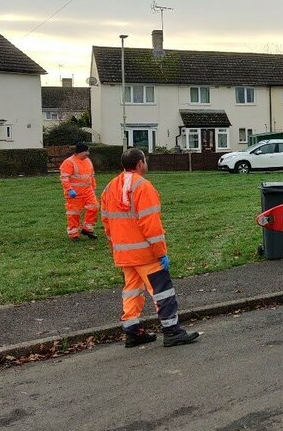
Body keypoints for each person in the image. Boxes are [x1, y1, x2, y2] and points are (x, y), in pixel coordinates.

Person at [100, 148, 199, 348]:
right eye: (145, 160)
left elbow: (106, 222)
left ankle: (132, 332)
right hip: (145, 253)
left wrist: (115, 247)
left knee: (132, 292)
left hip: (124, 253)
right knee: (162, 292)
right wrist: (160, 252)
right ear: (140, 164)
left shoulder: (110, 187)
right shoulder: (143, 187)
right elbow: (151, 225)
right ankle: (172, 332)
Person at [59, 142, 98, 240]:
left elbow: (91, 175)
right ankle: (73, 233)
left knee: (94, 207)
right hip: (74, 194)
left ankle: (87, 228)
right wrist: (69, 190)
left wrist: (93, 187)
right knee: (73, 213)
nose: (88, 153)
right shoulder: (69, 162)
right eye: (86, 151)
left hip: (88, 191)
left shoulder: (88, 161)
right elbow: (64, 178)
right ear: (79, 152)